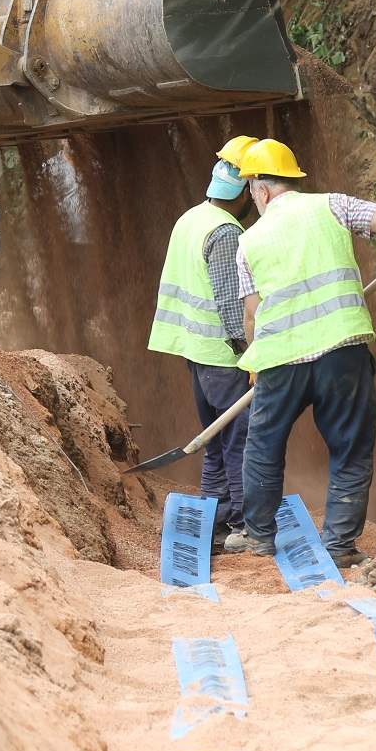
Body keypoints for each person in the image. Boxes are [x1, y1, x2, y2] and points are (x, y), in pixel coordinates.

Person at [229, 138, 376, 568]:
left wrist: (257, 361)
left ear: (262, 190)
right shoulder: (333, 206)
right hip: (341, 350)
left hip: (280, 361)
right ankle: (340, 545)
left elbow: (252, 317)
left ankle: (259, 538)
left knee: (263, 447)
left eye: (252, 188)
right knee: (350, 445)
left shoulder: (248, 242)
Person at [146, 135, 258, 544]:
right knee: (240, 440)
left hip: (195, 351)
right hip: (223, 356)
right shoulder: (226, 232)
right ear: (246, 188)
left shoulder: (191, 218)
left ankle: (216, 522)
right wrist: (253, 356)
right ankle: (245, 526)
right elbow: (232, 308)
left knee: (214, 437)